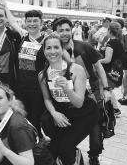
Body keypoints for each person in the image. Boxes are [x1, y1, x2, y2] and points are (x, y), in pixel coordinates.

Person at [51, 17, 111, 165]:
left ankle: (94, 156)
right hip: (70, 98)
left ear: (71, 30)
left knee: (96, 130)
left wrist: (107, 88)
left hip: (92, 94)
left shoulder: (84, 46)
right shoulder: (54, 51)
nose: (64, 33)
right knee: (71, 131)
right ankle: (70, 153)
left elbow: (99, 67)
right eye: (60, 30)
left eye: (67, 29)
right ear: (55, 32)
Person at [39, 33, 99, 165]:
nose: (52, 51)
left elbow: (79, 103)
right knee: (53, 148)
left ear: (62, 49)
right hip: (63, 113)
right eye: (48, 48)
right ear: (44, 51)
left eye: (56, 47)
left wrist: (66, 88)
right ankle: (72, 156)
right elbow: (47, 99)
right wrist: (54, 114)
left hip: (84, 113)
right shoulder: (42, 75)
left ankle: (76, 159)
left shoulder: (76, 70)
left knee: (65, 147)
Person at [16, 9, 46, 138]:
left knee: (35, 119)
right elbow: (12, 23)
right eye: (29, 21)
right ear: (25, 23)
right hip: (21, 86)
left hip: (38, 88)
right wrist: (5, 7)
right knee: (22, 117)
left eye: (35, 21)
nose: (32, 24)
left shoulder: (46, 40)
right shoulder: (23, 38)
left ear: (41, 23)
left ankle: (37, 147)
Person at [99, 22, 125, 115]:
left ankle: (114, 109)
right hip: (117, 70)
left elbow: (107, 60)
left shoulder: (111, 43)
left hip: (110, 71)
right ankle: (114, 108)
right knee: (108, 89)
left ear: (110, 31)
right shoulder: (119, 41)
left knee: (106, 88)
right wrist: (104, 49)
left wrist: (97, 61)